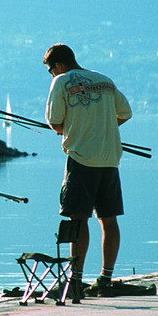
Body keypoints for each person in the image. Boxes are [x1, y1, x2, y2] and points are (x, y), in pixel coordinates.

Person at [42, 43, 132, 297]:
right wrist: (102, 126)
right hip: (110, 157)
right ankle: (105, 278)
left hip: (81, 159)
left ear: (58, 65)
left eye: (51, 70)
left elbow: (55, 122)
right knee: (109, 218)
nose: (52, 75)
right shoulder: (104, 80)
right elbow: (125, 113)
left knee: (78, 219)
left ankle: (75, 280)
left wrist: (78, 128)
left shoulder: (60, 82)